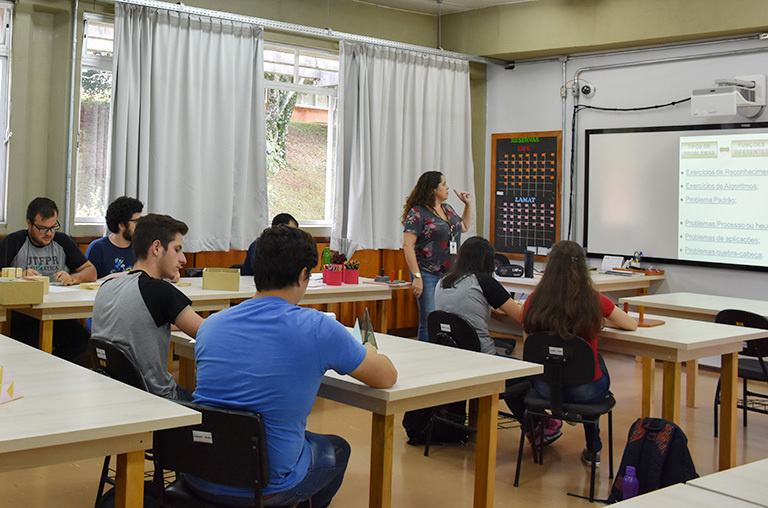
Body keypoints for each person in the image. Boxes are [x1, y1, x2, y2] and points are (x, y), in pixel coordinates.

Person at [191, 225, 397, 507]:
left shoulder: (210, 325)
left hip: (199, 472)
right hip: (267, 486)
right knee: (337, 448)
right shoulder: (318, 328)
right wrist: (368, 350)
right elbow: (386, 377)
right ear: (303, 275)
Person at [522, 240, 637, 467]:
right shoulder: (592, 299)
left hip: (545, 389)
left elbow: (530, 348)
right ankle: (593, 449)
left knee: (571, 366)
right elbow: (630, 324)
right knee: (594, 363)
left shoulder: (533, 301)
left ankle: (562, 415)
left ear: (550, 266)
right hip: (586, 392)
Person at [91, 214, 204, 400]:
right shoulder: (159, 291)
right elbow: (207, 333)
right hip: (157, 399)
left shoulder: (107, 287)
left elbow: (140, 323)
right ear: (157, 247)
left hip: (115, 395)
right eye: (177, 249)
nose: (183, 259)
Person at [0, 197, 97, 362]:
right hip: (23, 313)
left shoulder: (62, 241)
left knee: (81, 339)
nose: (49, 233)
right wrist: (18, 276)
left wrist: (73, 278)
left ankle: (55, 366)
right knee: (29, 343)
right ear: (29, 223)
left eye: (53, 227)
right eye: (43, 228)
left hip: (56, 311)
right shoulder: (14, 241)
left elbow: (91, 271)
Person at [402, 171, 472, 342]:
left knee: (449, 319)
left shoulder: (447, 209)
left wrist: (468, 205)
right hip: (427, 273)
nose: (447, 188)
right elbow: (407, 245)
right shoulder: (417, 213)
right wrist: (417, 277)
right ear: (433, 189)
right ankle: (425, 355)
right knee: (429, 319)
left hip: (451, 274)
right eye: (443, 184)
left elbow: (463, 227)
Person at [86, 196, 143, 279]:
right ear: (121, 225)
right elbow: (90, 281)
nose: (140, 225)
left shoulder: (141, 247)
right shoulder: (98, 248)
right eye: (136, 221)